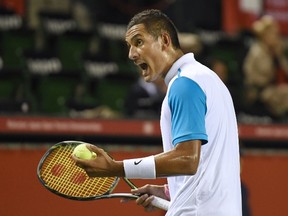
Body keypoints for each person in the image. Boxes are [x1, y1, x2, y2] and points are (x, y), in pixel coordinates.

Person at [73, 9, 242, 215]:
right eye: (129, 46)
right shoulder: (208, 79)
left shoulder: (184, 84)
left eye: (139, 42)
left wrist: (116, 168)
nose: (131, 54)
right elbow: (207, 165)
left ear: (164, 40)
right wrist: (170, 191)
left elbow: (187, 159)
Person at [243, 15, 288, 120]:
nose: (276, 37)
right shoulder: (257, 51)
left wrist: (278, 55)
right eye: (273, 34)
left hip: (275, 88)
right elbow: (251, 76)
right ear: (264, 34)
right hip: (260, 91)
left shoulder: (275, 51)